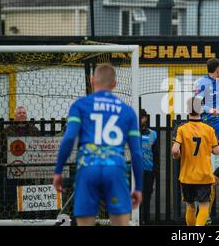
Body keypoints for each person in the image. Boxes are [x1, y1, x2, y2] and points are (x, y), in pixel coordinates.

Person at [53, 63, 144, 226]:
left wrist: (58, 170)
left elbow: (68, 139)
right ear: (115, 84)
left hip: (88, 169)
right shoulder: (127, 111)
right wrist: (138, 188)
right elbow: (137, 153)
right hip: (115, 170)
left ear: (91, 80)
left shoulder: (80, 106)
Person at [172, 97, 219, 226]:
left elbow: (175, 150)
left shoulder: (181, 129)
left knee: (190, 206)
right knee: (204, 206)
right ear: (200, 110)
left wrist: (178, 155)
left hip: (187, 176)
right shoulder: (209, 129)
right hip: (204, 175)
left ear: (188, 109)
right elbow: (217, 151)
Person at [139, 108, 158, 225]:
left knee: (146, 197)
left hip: (148, 171)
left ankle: (146, 220)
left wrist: (155, 171)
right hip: (132, 171)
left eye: (141, 117)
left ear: (145, 118)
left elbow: (156, 155)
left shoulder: (153, 134)